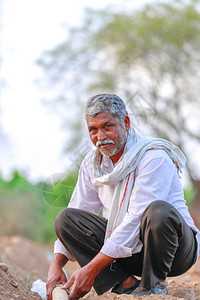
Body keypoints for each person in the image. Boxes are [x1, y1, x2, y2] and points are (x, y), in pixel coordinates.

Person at [46, 94, 200, 300]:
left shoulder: (153, 156)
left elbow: (136, 219)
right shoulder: (93, 163)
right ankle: (124, 283)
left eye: (107, 126)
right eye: (93, 129)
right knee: (66, 219)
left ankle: (153, 286)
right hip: (127, 253)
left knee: (158, 212)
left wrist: (90, 270)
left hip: (173, 252)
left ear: (126, 123)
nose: (100, 137)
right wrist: (56, 264)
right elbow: (80, 209)